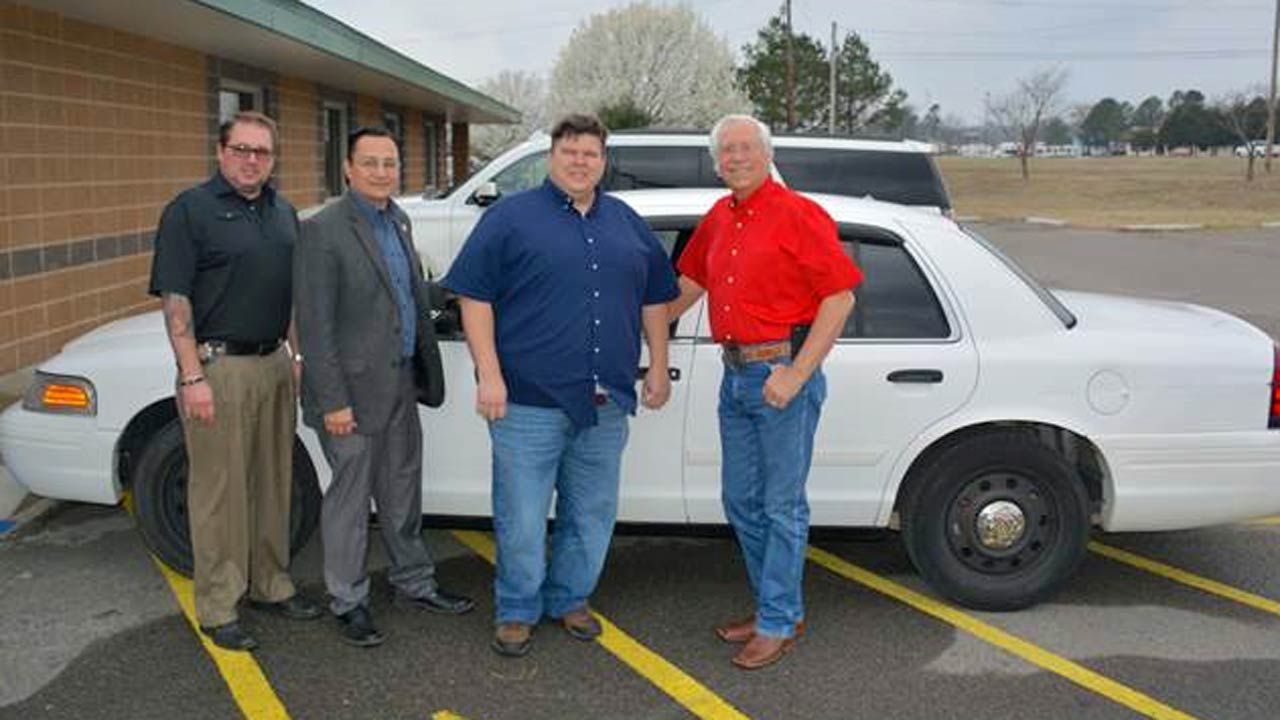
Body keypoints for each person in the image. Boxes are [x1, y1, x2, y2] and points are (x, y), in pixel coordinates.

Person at [442, 113, 678, 657]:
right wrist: (490, 374)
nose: (579, 161)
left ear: (603, 161)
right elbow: (474, 297)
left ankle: (570, 598)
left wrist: (659, 364)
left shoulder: (625, 222)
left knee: (591, 514)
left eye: (590, 153)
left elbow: (655, 298)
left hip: (607, 402)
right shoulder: (509, 218)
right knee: (522, 515)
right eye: (569, 151)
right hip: (528, 401)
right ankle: (518, 608)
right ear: (552, 156)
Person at [669, 114, 863, 670]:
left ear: (766, 153)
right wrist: (638, 321)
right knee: (741, 501)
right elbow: (688, 285)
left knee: (780, 506)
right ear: (716, 161)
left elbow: (840, 298)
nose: (735, 158)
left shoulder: (799, 214)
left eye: (745, 149)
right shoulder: (719, 218)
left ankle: (777, 621)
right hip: (734, 377)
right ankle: (779, 606)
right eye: (725, 151)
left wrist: (796, 374)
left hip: (780, 374)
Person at [294, 127, 474, 648]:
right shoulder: (323, 230)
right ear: (347, 168)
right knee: (351, 501)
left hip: (399, 382)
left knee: (401, 489)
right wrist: (333, 404)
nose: (381, 172)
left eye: (389, 163)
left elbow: (405, 294)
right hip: (347, 395)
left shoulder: (398, 218)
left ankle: (413, 582)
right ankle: (348, 601)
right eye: (369, 163)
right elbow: (315, 324)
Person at [148, 111, 322, 652]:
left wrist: (296, 353)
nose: (252, 160)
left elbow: (291, 292)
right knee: (219, 492)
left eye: (262, 152)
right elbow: (176, 301)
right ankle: (220, 605)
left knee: (274, 481)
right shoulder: (189, 211)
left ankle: (271, 584)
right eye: (242, 149)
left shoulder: (284, 213)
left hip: (273, 365)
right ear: (221, 152)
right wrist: (191, 375)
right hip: (217, 368)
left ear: (273, 159)